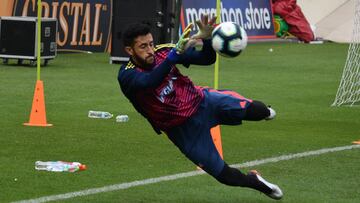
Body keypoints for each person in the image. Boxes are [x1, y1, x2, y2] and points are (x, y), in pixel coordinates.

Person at [117, 15, 283, 200]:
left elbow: (206, 59)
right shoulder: (127, 75)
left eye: (151, 44)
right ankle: (254, 180)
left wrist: (207, 38)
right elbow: (150, 81)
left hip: (203, 101)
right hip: (182, 130)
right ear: (129, 50)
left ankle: (264, 111)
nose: (150, 50)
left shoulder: (163, 52)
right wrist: (175, 55)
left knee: (259, 111)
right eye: (143, 46)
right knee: (224, 176)